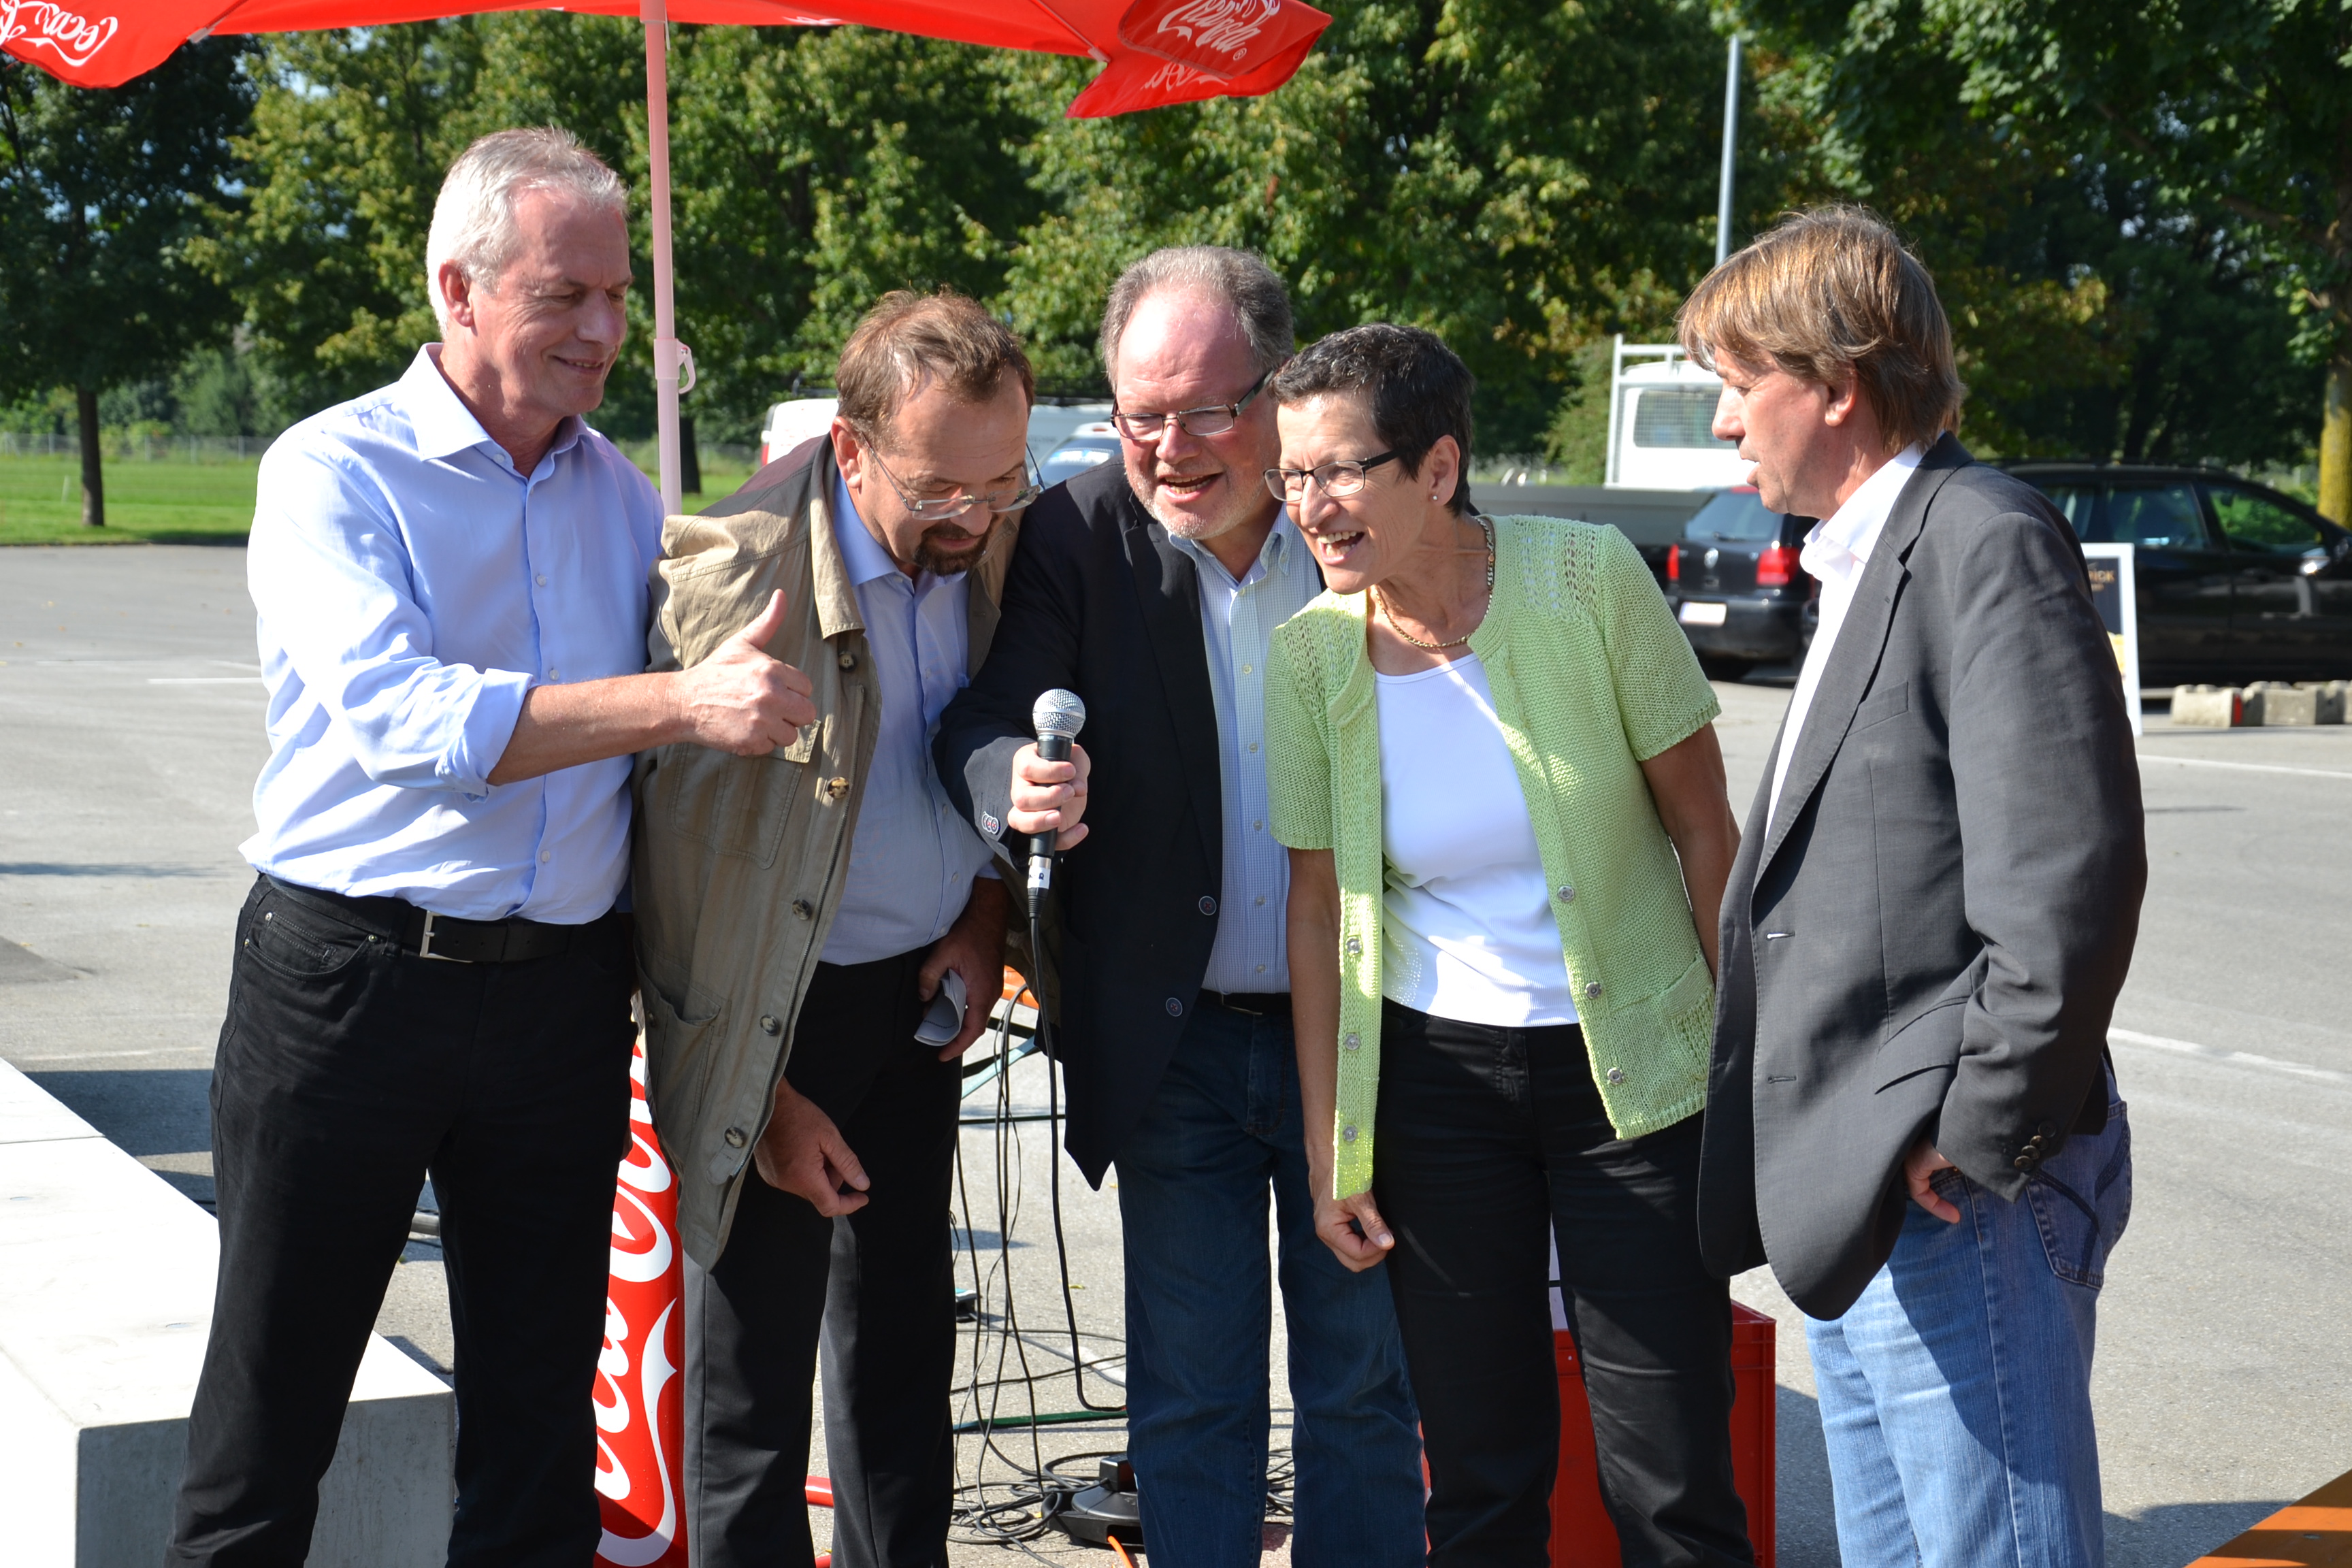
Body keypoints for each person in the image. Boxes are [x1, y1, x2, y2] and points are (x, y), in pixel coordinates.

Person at [168, 129, 815, 1567]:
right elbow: (407, 722)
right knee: (268, 1426)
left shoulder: (624, 497)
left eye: (618, 296)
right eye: (564, 294)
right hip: (350, 989)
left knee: (536, 1438)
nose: (603, 330)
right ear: (456, 290)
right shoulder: (335, 469)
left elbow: (675, 760)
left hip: (560, 1006)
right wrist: (682, 701)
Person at [935, 248, 1424, 1568]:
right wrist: (1015, 781)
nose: (1169, 447)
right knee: (1193, 1405)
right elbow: (982, 722)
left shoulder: (1365, 514)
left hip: (1368, 1035)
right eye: (1139, 415)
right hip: (1174, 1044)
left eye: (1207, 410)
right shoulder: (1073, 533)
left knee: (1364, 1391)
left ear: (1281, 389)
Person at [1685, 207, 2144, 1568]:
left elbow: (2065, 878)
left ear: (1836, 383)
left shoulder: (1981, 538)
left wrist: (1978, 1129)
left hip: (1958, 1193)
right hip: (1866, 1184)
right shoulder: (1866, 555)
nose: (1722, 421)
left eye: (1738, 381)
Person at [1262, 323, 1754, 1568]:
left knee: (1672, 1476)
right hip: (1439, 1093)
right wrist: (1332, 1152)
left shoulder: (1588, 577)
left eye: (1338, 470)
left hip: (1634, 1076)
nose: (1309, 506)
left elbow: (1706, 832)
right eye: (1292, 474)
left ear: (1438, 467)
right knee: (1480, 1480)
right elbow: (1315, 909)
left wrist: (1752, 1070)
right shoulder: (1309, 654)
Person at [631, 289, 1034, 1568]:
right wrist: (764, 1094)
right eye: (939, 490)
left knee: (905, 1354)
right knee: (750, 1389)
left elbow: (977, 760)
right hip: (774, 1015)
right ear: (849, 450)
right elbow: (667, 881)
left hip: (919, 1002)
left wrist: (985, 917)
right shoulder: (733, 574)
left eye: (1001, 483)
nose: (973, 517)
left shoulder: (997, 541)